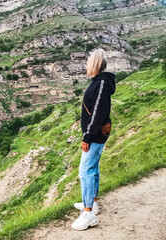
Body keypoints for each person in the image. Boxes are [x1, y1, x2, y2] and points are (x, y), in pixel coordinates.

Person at [71, 48, 116, 231]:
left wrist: (87, 137)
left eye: (89, 61)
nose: (86, 64)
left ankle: (88, 213)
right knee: (93, 168)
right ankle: (92, 203)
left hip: (96, 134)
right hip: (97, 133)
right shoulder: (100, 82)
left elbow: (97, 113)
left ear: (95, 64)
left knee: (85, 171)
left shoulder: (102, 83)